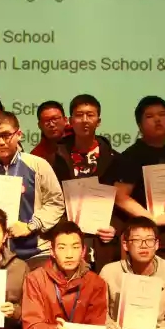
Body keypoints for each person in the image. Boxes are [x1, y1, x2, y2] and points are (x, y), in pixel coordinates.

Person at [0, 110, 65, 269]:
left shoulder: (38, 165)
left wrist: (30, 226)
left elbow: (56, 202)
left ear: (18, 134)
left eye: (6, 135)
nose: (1, 142)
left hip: (36, 253)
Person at [108, 96, 165, 266]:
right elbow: (120, 196)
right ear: (139, 125)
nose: (157, 119)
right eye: (150, 116)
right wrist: (152, 219)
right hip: (145, 241)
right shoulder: (132, 155)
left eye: (162, 114)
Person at [50, 94, 119, 269]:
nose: (85, 120)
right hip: (68, 238)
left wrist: (115, 227)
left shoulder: (114, 159)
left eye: (90, 115)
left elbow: (122, 201)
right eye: (79, 115)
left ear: (98, 121)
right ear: (70, 121)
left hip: (102, 240)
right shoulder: (56, 158)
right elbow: (51, 199)